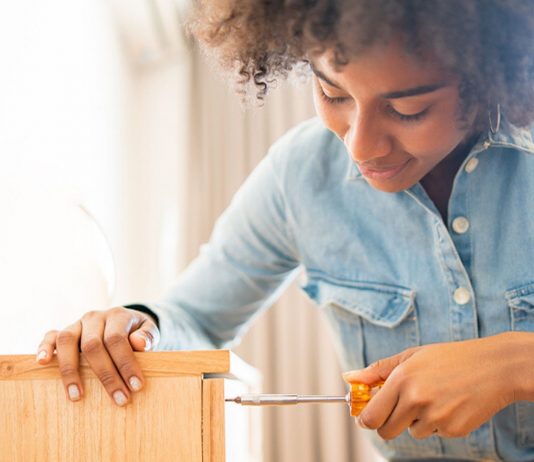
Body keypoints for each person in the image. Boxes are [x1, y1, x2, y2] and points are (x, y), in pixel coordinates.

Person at [36, 0, 534, 460]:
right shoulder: (298, 175)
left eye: (408, 110)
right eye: (332, 93)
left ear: (491, 78)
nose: (360, 148)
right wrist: (137, 327)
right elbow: (194, 318)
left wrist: (514, 364)